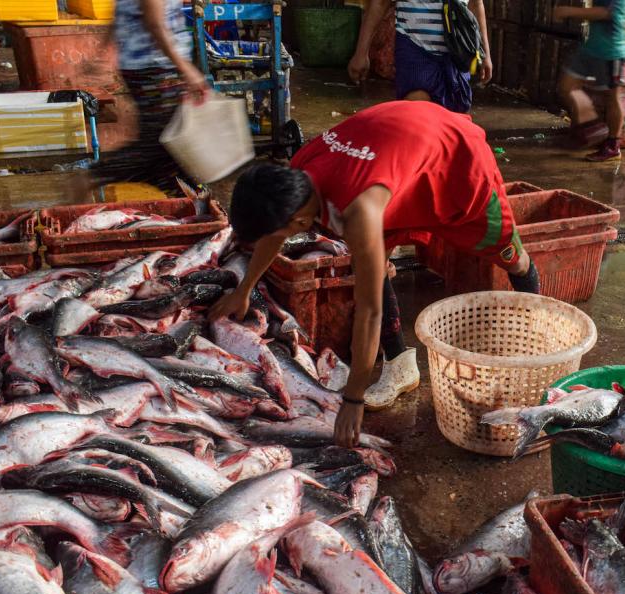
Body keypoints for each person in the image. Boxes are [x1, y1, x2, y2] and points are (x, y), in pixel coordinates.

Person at [209, 101, 541, 447]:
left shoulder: (359, 210)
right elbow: (272, 237)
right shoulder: (297, 176)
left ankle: (537, 346)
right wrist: (244, 289)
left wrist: (353, 399)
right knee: (371, 260)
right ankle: (399, 362)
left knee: (508, 253)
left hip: (454, 155)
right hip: (397, 151)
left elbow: (368, 312)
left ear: (298, 223)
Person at [91, 0, 209, 193]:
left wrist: (101, 54)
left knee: (169, 150)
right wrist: (186, 68)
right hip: (155, 67)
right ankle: (94, 175)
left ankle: (183, 200)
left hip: (148, 65)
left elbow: (119, 15)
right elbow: (154, 23)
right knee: (161, 143)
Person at [347, 0, 492, 113]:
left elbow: (476, 4)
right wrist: (361, 52)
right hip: (414, 49)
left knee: (453, 121)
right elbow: (380, 3)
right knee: (416, 116)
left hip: (458, 54)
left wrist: (485, 53)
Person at [553, 0, 625, 162]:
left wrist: (569, 11)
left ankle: (612, 145)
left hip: (612, 50)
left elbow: (606, 13)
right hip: (591, 49)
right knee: (567, 86)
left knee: (612, 97)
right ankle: (592, 125)